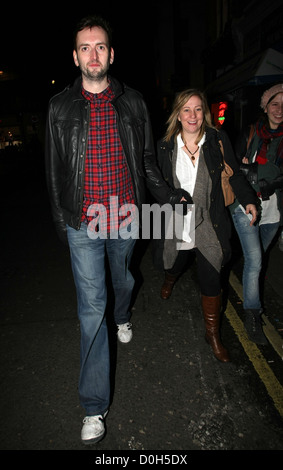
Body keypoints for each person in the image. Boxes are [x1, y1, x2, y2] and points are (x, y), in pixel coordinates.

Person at [45, 15, 189, 445]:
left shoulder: (133, 102)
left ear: (111, 53)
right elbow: (53, 175)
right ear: (75, 56)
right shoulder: (59, 107)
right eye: (85, 48)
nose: (93, 54)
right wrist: (63, 226)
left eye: (100, 47)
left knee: (122, 281)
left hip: (127, 216)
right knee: (92, 309)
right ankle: (93, 406)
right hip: (83, 222)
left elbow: (146, 160)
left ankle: (124, 314)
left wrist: (168, 196)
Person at [152, 89, 258, 363]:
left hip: (209, 220)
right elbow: (155, 184)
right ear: (177, 113)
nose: (192, 115)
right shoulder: (164, 145)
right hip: (177, 221)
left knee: (212, 276)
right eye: (186, 109)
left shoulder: (216, 140)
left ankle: (212, 334)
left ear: (205, 114)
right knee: (174, 262)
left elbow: (233, 175)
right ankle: (170, 278)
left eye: (198, 109)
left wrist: (248, 200)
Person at [232, 83, 283, 345]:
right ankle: (252, 315)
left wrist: (260, 175)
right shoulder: (251, 132)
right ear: (266, 107)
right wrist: (258, 176)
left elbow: (264, 174)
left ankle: (248, 280)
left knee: (257, 258)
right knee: (255, 261)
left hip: (274, 212)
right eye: (275, 103)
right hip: (246, 206)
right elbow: (234, 168)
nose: (279, 110)